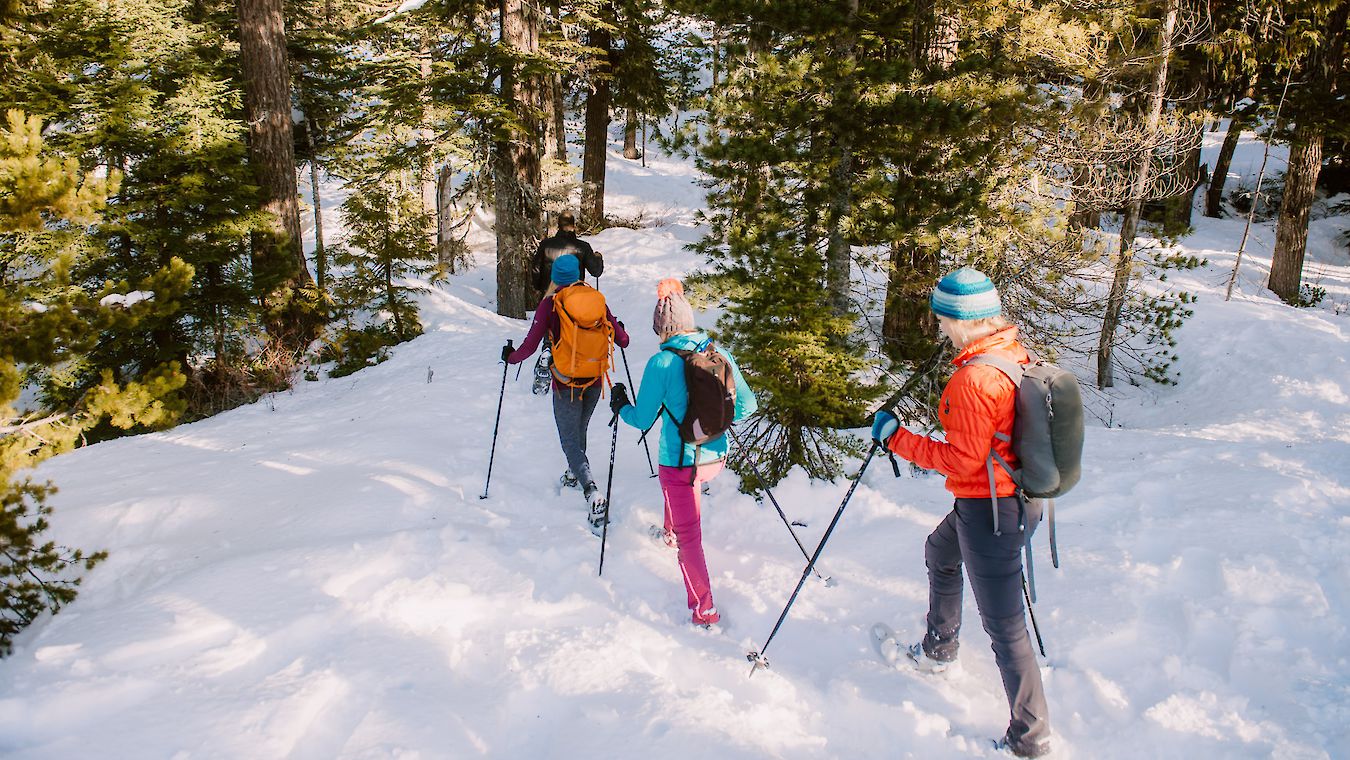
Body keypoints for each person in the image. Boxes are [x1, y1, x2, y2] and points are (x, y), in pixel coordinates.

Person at [870, 267, 1051, 759]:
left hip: (990, 510)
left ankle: (1029, 739)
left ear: (959, 319)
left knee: (1005, 625)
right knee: (940, 550)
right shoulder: (1010, 353)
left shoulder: (974, 378)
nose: (939, 327)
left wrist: (895, 438)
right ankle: (939, 648)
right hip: (1015, 499)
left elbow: (959, 459)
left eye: (942, 318)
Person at [608, 279, 757, 627]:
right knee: (682, 491)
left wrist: (620, 406)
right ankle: (669, 532)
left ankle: (704, 610)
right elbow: (748, 405)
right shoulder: (719, 354)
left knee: (690, 535)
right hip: (715, 458)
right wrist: (713, 417)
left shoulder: (660, 363)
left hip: (679, 464)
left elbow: (642, 419)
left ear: (661, 328)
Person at [504, 255, 629, 525]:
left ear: (555, 278)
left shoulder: (550, 305)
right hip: (595, 380)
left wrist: (510, 357)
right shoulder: (596, 300)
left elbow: (529, 346)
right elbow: (624, 340)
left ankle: (591, 491)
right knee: (578, 430)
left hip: (566, 382)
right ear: (579, 274)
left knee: (570, 439)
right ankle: (574, 473)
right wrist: (616, 326)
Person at [532, 211, 603, 299]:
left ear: (558, 226)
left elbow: (536, 269)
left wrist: (539, 288)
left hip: (549, 294)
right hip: (574, 297)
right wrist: (598, 258)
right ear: (573, 226)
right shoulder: (583, 247)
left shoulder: (545, 245)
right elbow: (596, 271)